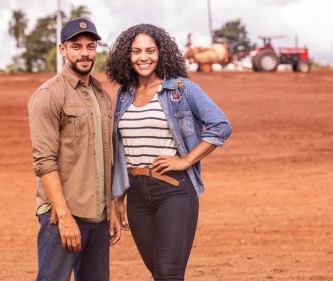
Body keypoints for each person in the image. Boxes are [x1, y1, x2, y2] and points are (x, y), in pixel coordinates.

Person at [106, 23, 232, 281]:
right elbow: (120, 150)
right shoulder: (123, 95)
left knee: (168, 272)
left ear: (161, 53)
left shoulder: (181, 89)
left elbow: (220, 125)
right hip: (136, 194)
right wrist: (117, 198)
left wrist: (186, 160)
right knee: (159, 272)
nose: (143, 58)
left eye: (150, 51)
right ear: (127, 56)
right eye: (136, 51)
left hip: (174, 190)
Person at [27, 18, 121, 281]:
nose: (84, 53)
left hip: (98, 215)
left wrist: (110, 209)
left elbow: (106, 157)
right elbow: (44, 161)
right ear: (62, 50)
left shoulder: (101, 94)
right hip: (62, 216)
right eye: (76, 46)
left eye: (90, 47)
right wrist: (65, 216)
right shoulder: (49, 95)